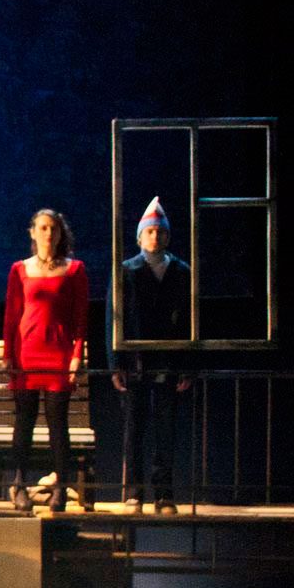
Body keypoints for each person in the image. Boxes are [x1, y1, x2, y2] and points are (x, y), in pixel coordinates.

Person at [3, 207, 88, 512]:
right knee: (24, 421)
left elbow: (80, 318)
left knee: (58, 423)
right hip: (27, 354)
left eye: (53, 228)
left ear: (61, 232)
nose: (48, 233)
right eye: (42, 227)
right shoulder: (20, 269)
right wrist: (8, 355)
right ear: (33, 232)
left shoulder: (74, 269)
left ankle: (61, 488)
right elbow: (12, 316)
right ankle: (19, 484)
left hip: (58, 355)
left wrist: (77, 355)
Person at [110, 197, 192, 513]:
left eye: (160, 231)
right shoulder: (126, 270)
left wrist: (187, 365)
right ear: (140, 236)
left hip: (168, 361)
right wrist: (115, 362)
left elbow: (189, 320)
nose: (155, 236)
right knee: (134, 429)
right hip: (135, 362)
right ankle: (134, 492)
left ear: (167, 236)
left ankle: (164, 494)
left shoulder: (181, 271)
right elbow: (113, 317)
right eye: (150, 231)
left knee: (165, 430)